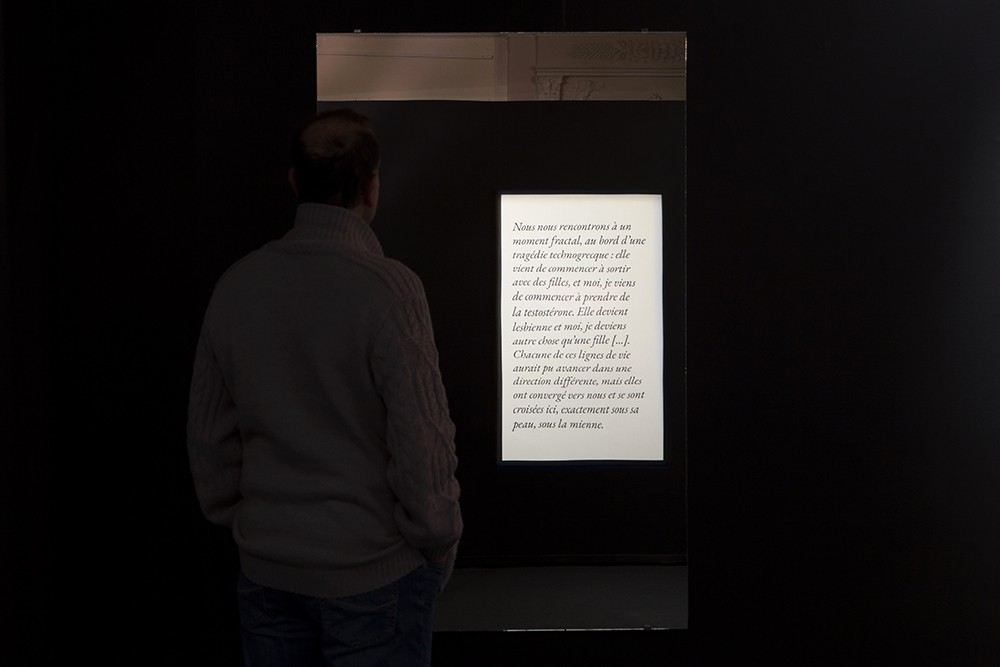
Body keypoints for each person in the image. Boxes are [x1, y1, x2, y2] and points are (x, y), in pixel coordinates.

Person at [186, 108, 463, 666]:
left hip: (268, 575)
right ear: (371, 184)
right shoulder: (389, 291)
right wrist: (439, 545)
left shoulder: (238, 285)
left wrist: (255, 526)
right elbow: (421, 445)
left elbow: (209, 444)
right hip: (374, 578)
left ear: (294, 181)